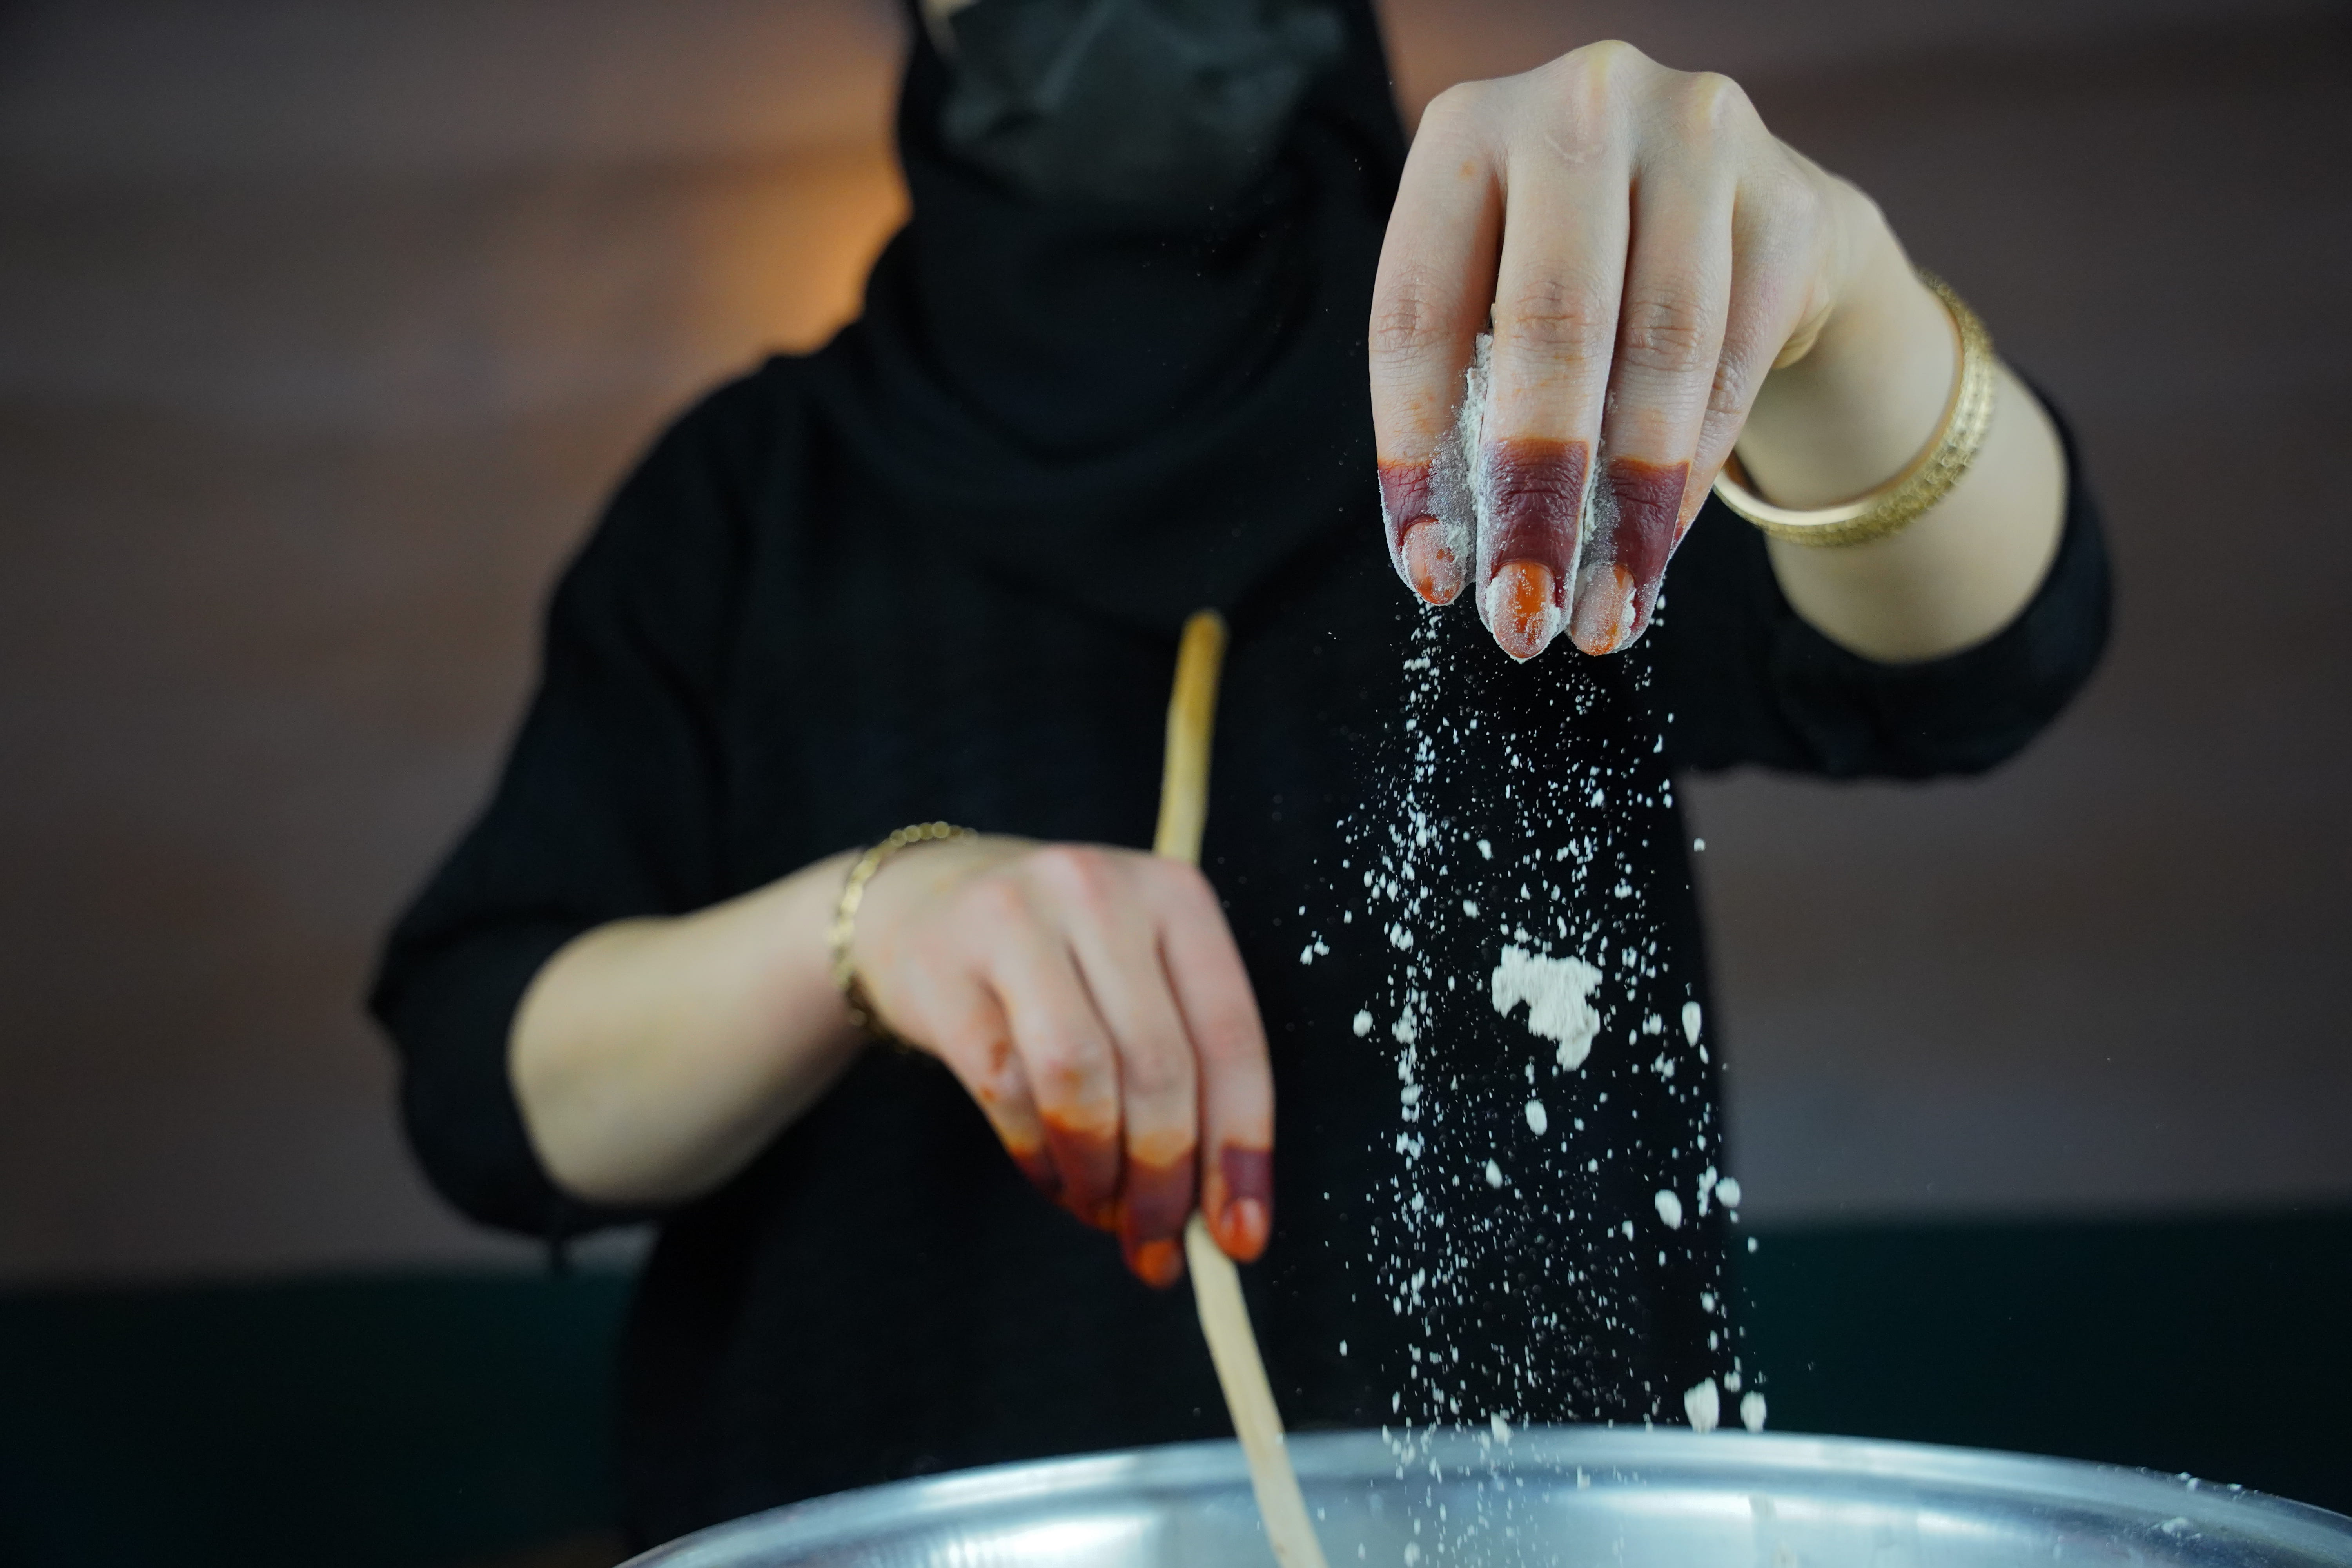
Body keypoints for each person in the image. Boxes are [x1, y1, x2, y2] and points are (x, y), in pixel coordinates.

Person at [371, 0, 2107, 1547]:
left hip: (1528, 1525)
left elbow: (1979, 656)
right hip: (872, 1501)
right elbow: (488, 1096)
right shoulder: (749, 501)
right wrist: (867, 924)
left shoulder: (1540, 410)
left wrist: (1836, 302)